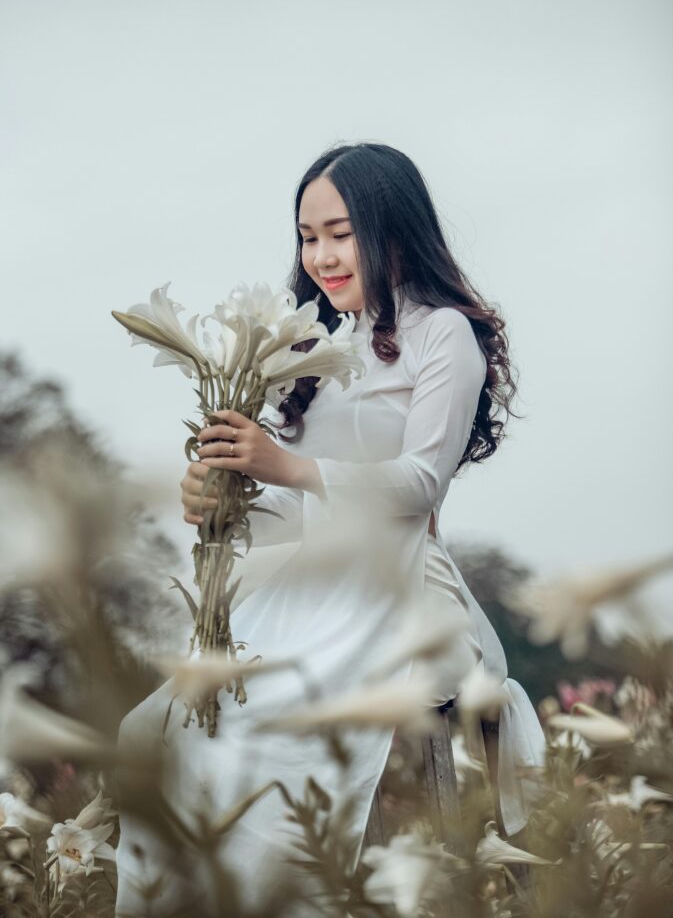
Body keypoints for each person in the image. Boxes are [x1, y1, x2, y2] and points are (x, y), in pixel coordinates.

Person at [114, 142, 546, 916]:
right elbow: (296, 514)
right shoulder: (312, 351)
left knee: (269, 725)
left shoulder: (442, 334)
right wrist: (225, 505)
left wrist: (282, 465)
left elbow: (420, 483)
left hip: (401, 589)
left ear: (394, 229)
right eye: (307, 237)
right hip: (308, 587)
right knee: (156, 730)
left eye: (340, 234)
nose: (321, 256)